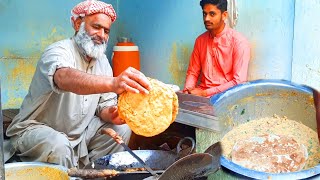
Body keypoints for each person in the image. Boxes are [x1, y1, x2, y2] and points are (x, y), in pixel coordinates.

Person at [5, 0, 151, 168]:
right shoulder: (58, 51)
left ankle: (95, 174)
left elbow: (104, 106)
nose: (102, 35)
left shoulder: (102, 61)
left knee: (122, 130)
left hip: (78, 136)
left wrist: (114, 114)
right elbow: (63, 77)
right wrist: (113, 83)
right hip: (34, 131)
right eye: (96, 27)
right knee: (59, 145)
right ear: (77, 23)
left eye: (106, 31)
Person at [183, 0, 250, 97]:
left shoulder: (239, 42)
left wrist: (205, 93)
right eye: (204, 14)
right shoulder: (200, 40)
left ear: (224, 15)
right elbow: (193, 72)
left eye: (212, 14)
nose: (206, 18)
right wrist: (187, 91)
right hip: (201, 95)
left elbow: (238, 82)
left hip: (226, 97)